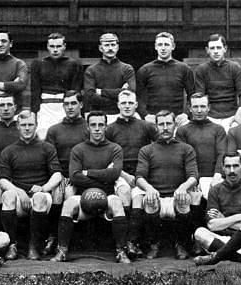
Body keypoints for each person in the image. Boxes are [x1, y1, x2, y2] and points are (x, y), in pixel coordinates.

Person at [50, 111, 130, 264]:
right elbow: (74, 176)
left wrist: (88, 173)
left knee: (117, 204)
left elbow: (114, 174)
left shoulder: (115, 149)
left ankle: (121, 251)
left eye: (101, 125)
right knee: (68, 204)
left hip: (108, 195)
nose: (97, 129)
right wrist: (103, 175)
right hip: (81, 195)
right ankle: (62, 251)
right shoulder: (78, 149)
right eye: (93, 125)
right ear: (87, 127)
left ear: (106, 127)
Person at [133, 110, 199, 259]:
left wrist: (183, 188)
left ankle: (181, 244)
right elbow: (139, 177)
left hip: (177, 196)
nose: (165, 127)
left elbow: (194, 176)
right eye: (161, 124)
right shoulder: (147, 150)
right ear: (156, 126)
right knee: (150, 201)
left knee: (184, 200)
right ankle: (154, 244)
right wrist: (149, 189)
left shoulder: (186, 149)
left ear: (174, 125)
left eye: (168, 123)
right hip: (157, 196)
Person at [0, 110, 63, 260]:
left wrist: (43, 188)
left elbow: (57, 174)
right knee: (7, 195)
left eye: (30, 125)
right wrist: (18, 191)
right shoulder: (9, 151)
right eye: (23, 125)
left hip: (41, 196)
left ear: (36, 126)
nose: (27, 128)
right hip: (20, 197)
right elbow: (3, 180)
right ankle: (12, 245)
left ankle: (34, 246)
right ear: (18, 127)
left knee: (39, 198)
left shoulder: (47, 148)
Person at [105, 90, 158, 256]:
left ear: (136, 105)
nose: (127, 106)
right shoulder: (111, 129)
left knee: (139, 197)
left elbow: (158, 149)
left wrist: (143, 175)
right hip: (119, 174)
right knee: (125, 193)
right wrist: (123, 175)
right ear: (118, 105)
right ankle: (124, 243)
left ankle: (132, 241)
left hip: (142, 174)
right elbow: (106, 157)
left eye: (130, 103)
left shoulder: (146, 127)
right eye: (123, 103)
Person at [193, 153, 241, 266]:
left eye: (235, 166)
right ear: (223, 168)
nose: (232, 170)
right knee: (199, 233)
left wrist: (224, 219)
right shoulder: (215, 190)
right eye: (228, 166)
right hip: (224, 240)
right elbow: (212, 225)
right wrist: (239, 217)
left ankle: (215, 257)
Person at [44, 90, 89, 256]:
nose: (70, 107)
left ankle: (75, 240)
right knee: (60, 191)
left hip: (83, 175)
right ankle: (53, 236)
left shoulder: (88, 127)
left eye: (73, 103)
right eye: (67, 104)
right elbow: (50, 158)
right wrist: (61, 177)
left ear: (81, 105)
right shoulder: (54, 130)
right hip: (61, 175)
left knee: (72, 194)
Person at [30, 33, 84, 140]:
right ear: (47, 47)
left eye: (58, 46)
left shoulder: (74, 64)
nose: (55, 50)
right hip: (45, 108)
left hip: (64, 106)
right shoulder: (38, 64)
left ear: (64, 46)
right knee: (43, 137)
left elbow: (75, 91)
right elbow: (35, 91)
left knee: (65, 138)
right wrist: (34, 114)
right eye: (52, 46)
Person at [175, 93, 226, 200]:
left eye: (202, 106)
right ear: (189, 108)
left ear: (209, 108)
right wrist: (191, 180)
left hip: (213, 177)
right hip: (191, 178)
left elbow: (222, 154)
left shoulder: (218, 129)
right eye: (195, 106)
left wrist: (217, 176)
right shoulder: (182, 131)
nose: (199, 110)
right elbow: (182, 158)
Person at [136, 32, 194, 126]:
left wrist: (186, 113)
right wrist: (145, 115)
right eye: (160, 45)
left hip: (177, 121)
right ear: (155, 46)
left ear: (173, 46)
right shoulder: (145, 70)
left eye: (166, 44)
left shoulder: (184, 69)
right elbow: (137, 96)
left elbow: (192, 94)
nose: (163, 48)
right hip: (153, 121)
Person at [194, 33, 241, 131]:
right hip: (210, 117)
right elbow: (200, 96)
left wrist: (237, 116)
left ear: (225, 49)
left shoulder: (235, 68)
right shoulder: (201, 70)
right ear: (207, 50)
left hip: (232, 116)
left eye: (218, 47)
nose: (216, 51)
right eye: (212, 48)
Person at [84, 33, 135, 124]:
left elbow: (130, 92)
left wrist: (101, 92)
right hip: (99, 117)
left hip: (121, 116)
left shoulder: (127, 69)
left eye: (113, 45)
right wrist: (119, 93)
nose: (110, 48)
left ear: (117, 47)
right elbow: (90, 96)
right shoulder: (91, 70)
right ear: (100, 48)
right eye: (107, 45)